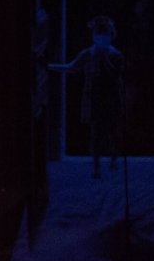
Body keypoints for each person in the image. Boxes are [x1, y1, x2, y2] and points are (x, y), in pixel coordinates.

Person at [47, 16, 124, 179]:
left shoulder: (116, 54)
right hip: (94, 97)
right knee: (95, 133)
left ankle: (114, 159)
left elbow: (116, 75)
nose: (102, 38)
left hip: (111, 97)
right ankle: (96, 167)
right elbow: (71, 67)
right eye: (98, 34)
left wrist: (104, 59)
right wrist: (50, 67)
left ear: (111, 35)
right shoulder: (87, 54)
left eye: (105, 34)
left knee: (111, 131)